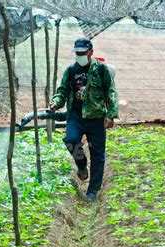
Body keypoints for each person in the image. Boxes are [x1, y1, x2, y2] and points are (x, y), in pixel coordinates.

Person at [49, 37, 118, 201]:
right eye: (77, 53)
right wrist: (56, 103)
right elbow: (63, 91)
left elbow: (111, 92)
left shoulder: (101, 70)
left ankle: (92, 191)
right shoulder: (71, 70)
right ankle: (81, 165)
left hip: (96, 117)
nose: (79, 55)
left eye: (83, 53)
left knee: (98, 155)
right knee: (71, 140)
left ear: (91, 52)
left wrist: (111, 115)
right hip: (76, 116)